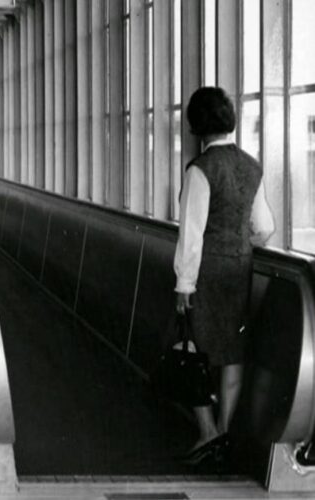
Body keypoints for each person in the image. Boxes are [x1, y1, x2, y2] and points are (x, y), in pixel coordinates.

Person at [173, 86, 274, 465]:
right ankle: (225, 432)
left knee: (190, 349)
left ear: (197, 126)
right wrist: (237, 241)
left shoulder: (201, 170)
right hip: (240, 269)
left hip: (206, 274)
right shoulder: (251, 166)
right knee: (232, 354)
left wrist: (184, 285)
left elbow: (192, 233)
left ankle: (207, 432)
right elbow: (263, 228)